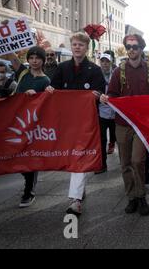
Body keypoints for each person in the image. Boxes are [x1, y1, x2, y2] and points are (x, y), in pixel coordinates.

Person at [101, 34, 149, 217]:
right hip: (122, 123)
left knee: (138, 161)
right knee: (125, 163)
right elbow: (111, 94)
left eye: (135, 46)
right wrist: (106, 99)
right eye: (128, 46)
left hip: (143, 125)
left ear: (141, 48)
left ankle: (141, 195)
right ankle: (132, 197)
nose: (131, 49)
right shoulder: (118, 72)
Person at [51, 32, 106, 216]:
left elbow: (99, 92)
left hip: (86, 122)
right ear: (71, 46)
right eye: (74, 44)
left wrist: (96, 95)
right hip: (67, 122)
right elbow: (53, 89)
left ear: (86, 48)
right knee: (73, 157)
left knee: (79, 156)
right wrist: (49, 89)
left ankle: (75, 200)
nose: (77, 47)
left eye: (81, 45)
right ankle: (79, 191)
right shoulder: (62, 68)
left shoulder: (95, 70)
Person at [6, 47, 53, 207]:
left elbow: (45, 104)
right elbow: (12, 57)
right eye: (31, 57)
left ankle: (29, 190)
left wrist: (40, 95)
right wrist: (6, 32)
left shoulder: (45, 80)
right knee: (13, 153)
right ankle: (29, 179)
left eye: (37, 58)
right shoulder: (23, 73)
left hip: (31, 124)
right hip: (15, 120)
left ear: (42, 60)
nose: (34, 60)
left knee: (28, 156)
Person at [95, 53, 116, 174]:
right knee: (101, 139)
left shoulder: (116, 75)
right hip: (101, 112)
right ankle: (102, 164)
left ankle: (112, 142)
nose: (105, 64)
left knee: (114, 135)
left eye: (107, 61)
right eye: (102, 61)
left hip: (114, 113)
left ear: (111, 63)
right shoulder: (96, 75)